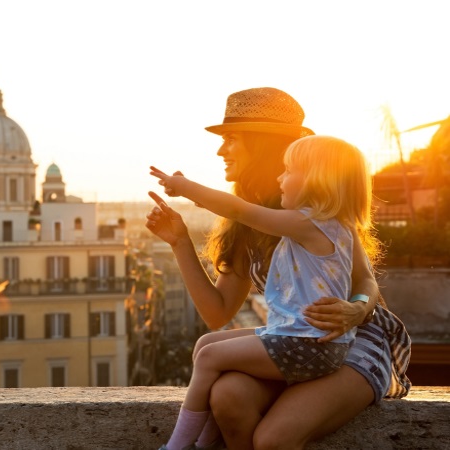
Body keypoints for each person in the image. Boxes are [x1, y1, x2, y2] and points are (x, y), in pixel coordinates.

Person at [145, 87, 411, 450]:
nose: (220, 150)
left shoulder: (317, 215)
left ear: (264, 145)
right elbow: (217, 311)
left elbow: (364, 280)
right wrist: (179, 242)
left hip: (350, 339)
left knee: (275, 438)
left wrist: (357, 308)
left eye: (231, 139)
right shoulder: (245, 222)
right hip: (294, 337)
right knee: (227, 397)